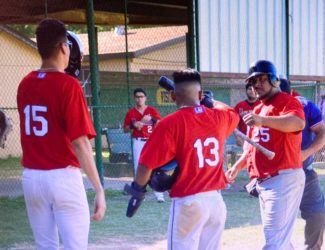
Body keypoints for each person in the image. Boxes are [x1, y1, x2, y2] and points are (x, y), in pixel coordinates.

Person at [16, 18, 106, 250]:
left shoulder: (25, 84)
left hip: (32, 178)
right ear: (63, 47)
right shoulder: (68, 85)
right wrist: (98, 188)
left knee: (45, 247)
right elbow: (81, 143)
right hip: (62, 178)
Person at [126, 69, 239, 250]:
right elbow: (231, 111)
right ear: (200, 94)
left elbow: (145, 165)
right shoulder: (219, 117)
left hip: (189, 202)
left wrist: (138, 191)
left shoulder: (169, 123)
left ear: (172, 95)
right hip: (216, 202)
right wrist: (210, 101)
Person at [226, 60, 306, 250]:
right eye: (253, 82)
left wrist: (262, 120)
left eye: (261, 79)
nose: (256, 85)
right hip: (266, 182)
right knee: (280, 241)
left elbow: (298, 123)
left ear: (273, 79)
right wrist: (236, 168)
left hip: (282, 178)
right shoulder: (258, 109)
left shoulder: (287, 101)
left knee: (274, 243)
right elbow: (254, 147)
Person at [281, 78, 325, 250]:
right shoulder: (264, 109)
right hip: (277, 178)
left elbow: (324, 134)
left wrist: (306, 153)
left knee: (319, 217)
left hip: (305, 172)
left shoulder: (305, 106)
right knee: (279, 226)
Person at [123, 88, 165, 202]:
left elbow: (161, 124)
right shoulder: (131, 112)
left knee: (155, 167)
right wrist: (133, 126)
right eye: (137, 96)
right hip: (138, 141)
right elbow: (125, 129)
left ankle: (159, 195)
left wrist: (152, 118)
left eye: (141, 96)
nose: (139, 98)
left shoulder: (151, 110)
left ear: (145, 98)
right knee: (139, 167)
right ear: (134, 98)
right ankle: (140, 194)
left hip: (151, 141)